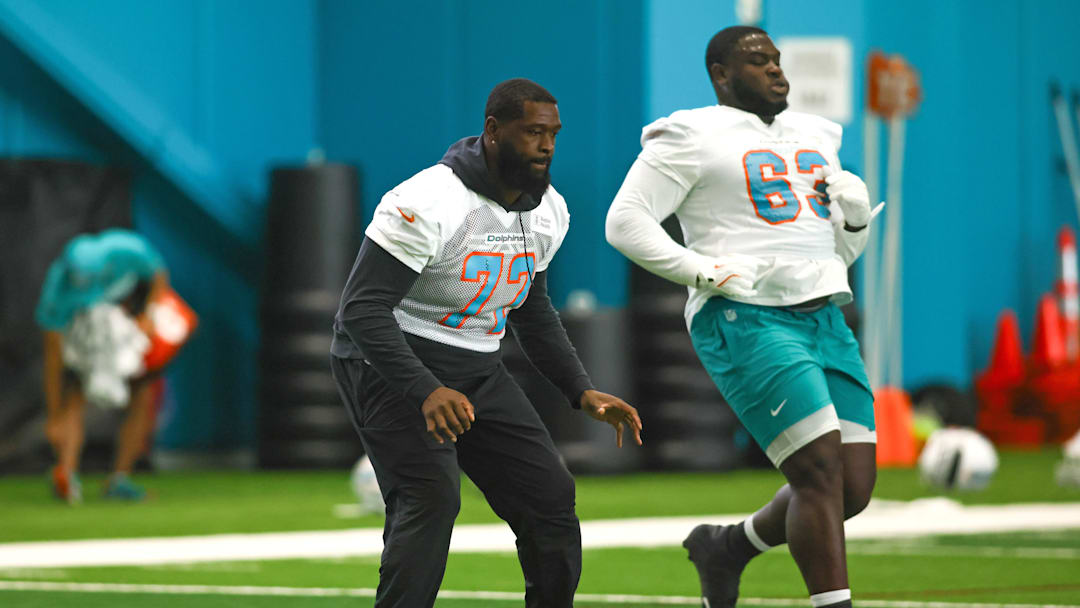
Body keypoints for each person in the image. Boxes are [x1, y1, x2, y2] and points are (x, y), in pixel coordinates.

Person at [330, 78, 643, 608]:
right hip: (390, 359)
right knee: (430, 499)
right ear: (494, 131)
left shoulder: (548, 211)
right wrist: (426, 390)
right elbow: (360, 310)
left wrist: (580, 390)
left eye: (554, 134)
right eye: (533, 132)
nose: (546, 145)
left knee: (549, 496)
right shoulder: (427, 199)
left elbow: (530, 309)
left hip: (477, 363)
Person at [605, 26, 880, 608]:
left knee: (851, 488)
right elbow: (625, 221)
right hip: (748, 316)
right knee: (818, 471)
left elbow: (836, 256)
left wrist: (855, 223)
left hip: (824, 317)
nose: (777, 71)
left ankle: (728, 547)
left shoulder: (815, 135)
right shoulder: (690, 133)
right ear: (720, 74)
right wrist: (698, 270)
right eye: (759, 62)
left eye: (778, 60)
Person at [37, 228, 172, 503]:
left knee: (142, 395)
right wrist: (53, 416)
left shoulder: (128, 249)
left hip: (129, 325)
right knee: (75, 396)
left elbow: (159, 275)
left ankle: (119, 478)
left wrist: (149, 314)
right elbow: (53, 357)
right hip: (87, 336)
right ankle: (67, 473)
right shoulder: (57, 290)